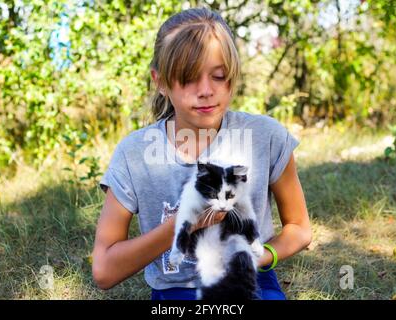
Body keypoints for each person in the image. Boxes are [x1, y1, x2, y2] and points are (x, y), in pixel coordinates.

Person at [92, 7, 311, 300]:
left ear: (232, 76)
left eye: (218, 76)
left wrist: (261, 256)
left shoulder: (266, 137)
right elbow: (105, 270)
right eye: (189, 78)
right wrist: (184, 223)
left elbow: (299, 228)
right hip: (177, 293)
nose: (206, 90)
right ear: (160, 82)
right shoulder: (134, 155)